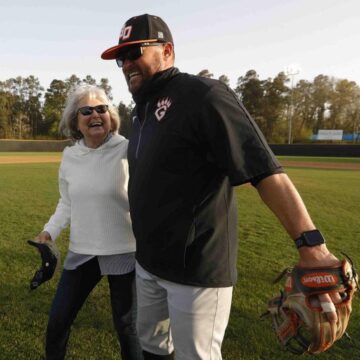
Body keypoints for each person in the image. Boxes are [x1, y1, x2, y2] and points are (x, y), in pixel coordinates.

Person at [101, 14, 341, 360]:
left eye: (134, 52)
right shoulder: (140, 113)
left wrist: (311, 245)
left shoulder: (203, 95)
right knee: (152, 348)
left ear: (166, 51)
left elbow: (264, 170)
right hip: (149, 262)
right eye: (120, 58)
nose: (126, 64)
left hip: (196, 270)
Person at [35, 85, 141, 360]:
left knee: (127, 327)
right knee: (58, 321)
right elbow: (67, 202)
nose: (96, 114)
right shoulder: (70, 157)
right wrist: (49, 231)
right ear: (75, 122)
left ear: (111, 116)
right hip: (83, 252)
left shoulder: (128, 150)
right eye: (87, 110)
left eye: (102, 109)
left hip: (124, 252)